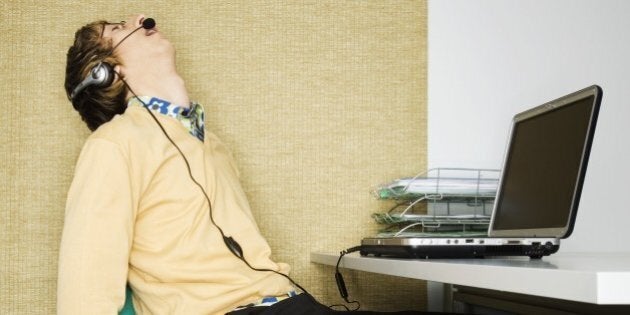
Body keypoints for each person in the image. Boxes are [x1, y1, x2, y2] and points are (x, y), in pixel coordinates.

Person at [59, 14, 430, 315]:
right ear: (107, 72)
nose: (142, 18)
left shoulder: (210, 142)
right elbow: (85, 289)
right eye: (121, 28)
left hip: (285, 303)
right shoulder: (112, 145)